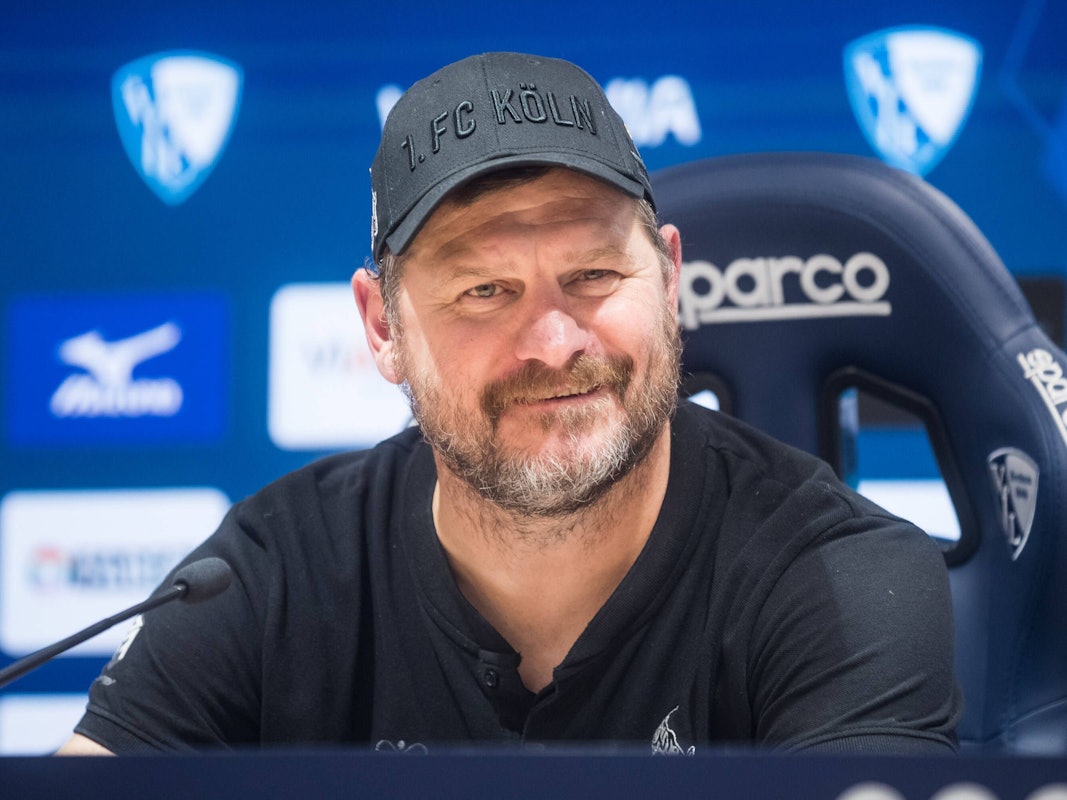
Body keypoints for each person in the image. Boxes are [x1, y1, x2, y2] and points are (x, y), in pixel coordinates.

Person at [59, 51, 960, 755]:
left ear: (671, 280)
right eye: (484, 291)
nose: (555, 341)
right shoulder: (269, 577)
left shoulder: (844, 580)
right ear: (382, 328)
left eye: (595, 274)